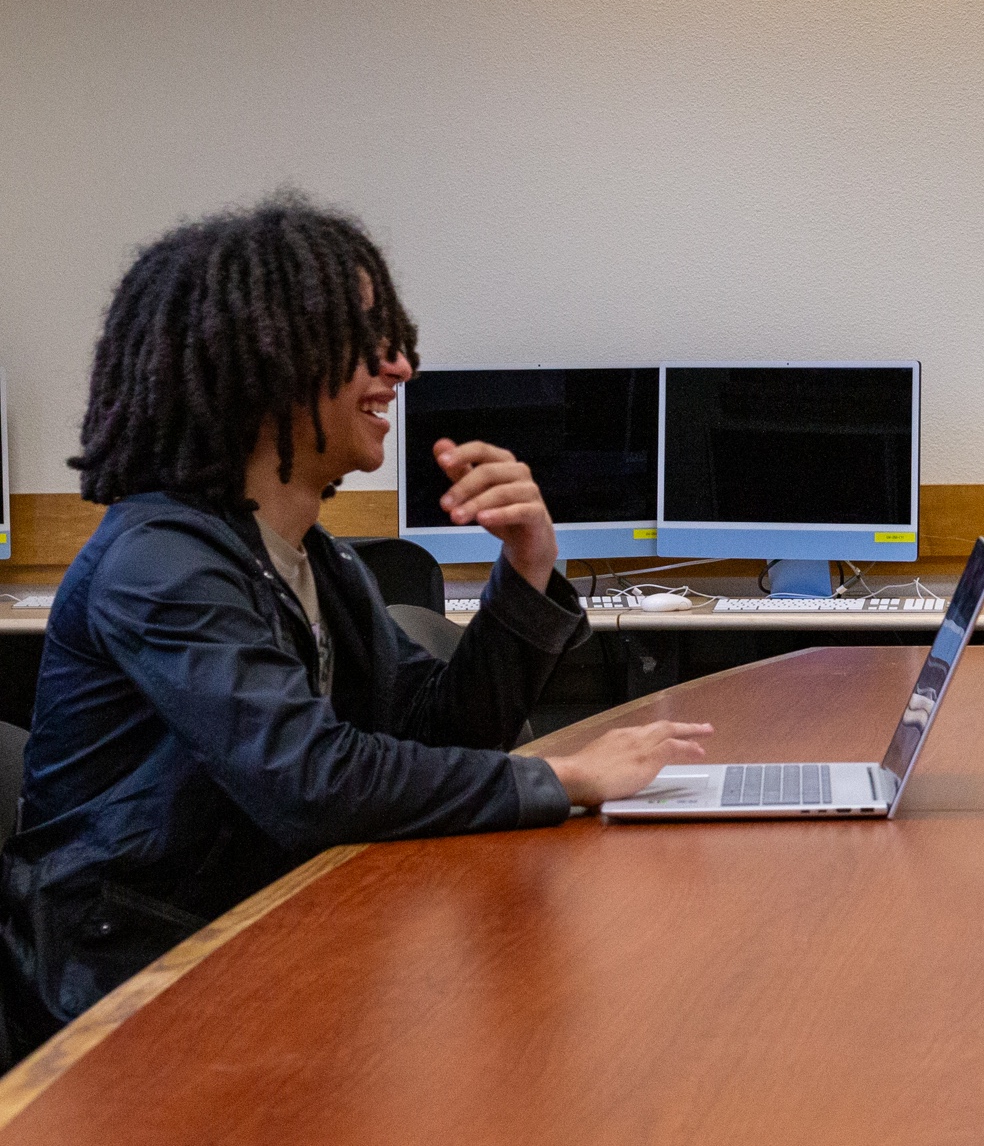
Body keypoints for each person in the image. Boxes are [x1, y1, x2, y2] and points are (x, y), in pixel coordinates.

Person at [0, 196, 712, 1056]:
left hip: (251, 941)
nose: (401, 366)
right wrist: (568, 778)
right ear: (264, 356)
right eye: (366, 339)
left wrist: (528, 564)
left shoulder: (313, 560)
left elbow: (439, 728)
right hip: (129, 993)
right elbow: (313, 783)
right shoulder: (160, 561)